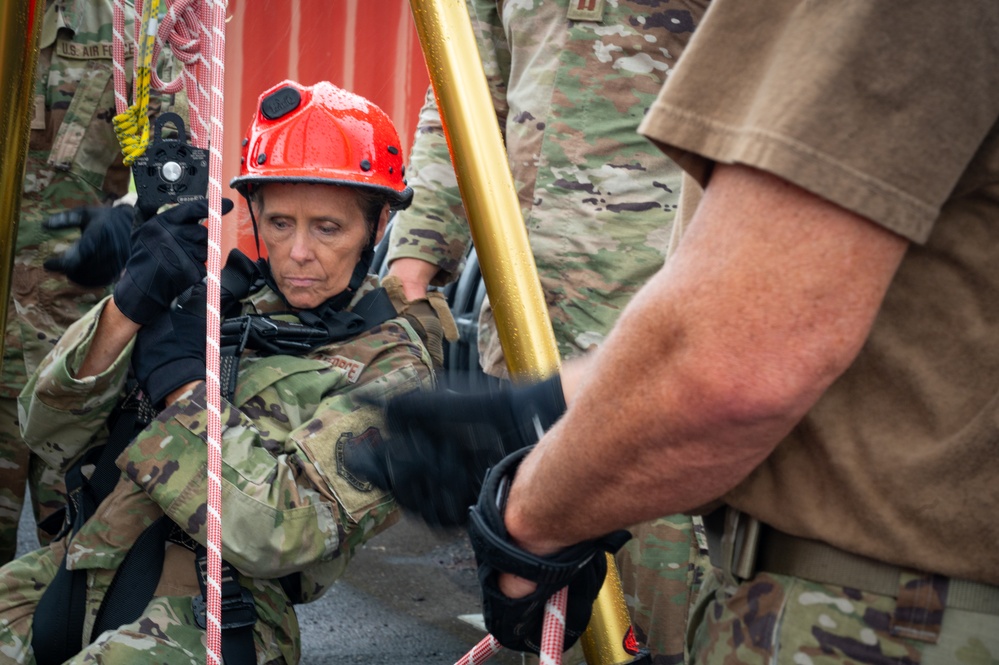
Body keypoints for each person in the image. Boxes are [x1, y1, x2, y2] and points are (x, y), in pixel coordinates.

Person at [364, 1, 999, 662]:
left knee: (653, 601)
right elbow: (467, 93)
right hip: (554, 322)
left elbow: (740, 363)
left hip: (674, 331)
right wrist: (523, 407)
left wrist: (528, 517)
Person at [0, 80, 435, 664]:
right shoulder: (223, 303)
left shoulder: (394, 375)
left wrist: (182, 384)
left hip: (222, 611)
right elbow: (44, 428)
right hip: (78, 570)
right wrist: (127, 306)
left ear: (378, 225)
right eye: (279, 223)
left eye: (328, 228)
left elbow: (281, 532)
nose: (298, 252)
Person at [384, 0, 708, 660]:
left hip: (669, 316)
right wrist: (415, 248)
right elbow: (464, 85)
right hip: (524, 312)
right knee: (546, 593)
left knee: (671, 603)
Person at [0, 0, 183, 565]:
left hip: (79, 354)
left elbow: (179, 167)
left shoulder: (131, 21)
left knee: (81, 566)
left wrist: (132, 219)